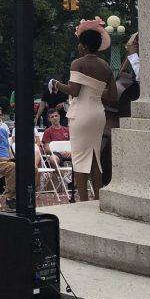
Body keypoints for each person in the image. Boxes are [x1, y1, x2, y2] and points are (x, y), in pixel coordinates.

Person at [53, 18, 118, 202]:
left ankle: (83, 201)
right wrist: (95, 90)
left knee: (80, 159)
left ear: (84, 45)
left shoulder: (78, 63)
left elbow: (74, 91)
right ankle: (98, 198)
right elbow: (113, 95)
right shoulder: (105, 66)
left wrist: (56, 84)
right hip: (98, 113)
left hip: (81, 114)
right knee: (95, 157)